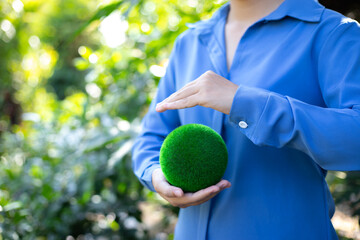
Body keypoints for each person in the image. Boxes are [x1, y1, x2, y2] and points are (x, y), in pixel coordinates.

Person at [131, 0, 360, 238]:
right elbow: (151, 136)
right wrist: (156, 175)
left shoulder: (332, 32)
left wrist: (244, 103)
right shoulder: (189, 42)